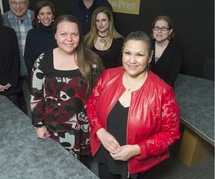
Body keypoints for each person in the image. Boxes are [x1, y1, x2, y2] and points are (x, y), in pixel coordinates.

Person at [86, 31, 180, 179]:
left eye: (139, 55)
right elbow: (91, 106)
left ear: (149, 57)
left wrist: (137, 149)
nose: (132, 60)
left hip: (138, 163)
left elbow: (170, 134)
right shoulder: (108, 76)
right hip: (106, 154)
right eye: (128, 53)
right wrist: (100, 131)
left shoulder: (163, 92)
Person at [30, 15, 104, 167]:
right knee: (57, 169)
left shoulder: (92, 61)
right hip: (54, 130)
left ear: (80, 36)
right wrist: (38, 125)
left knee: (83, 169)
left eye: (74, 34)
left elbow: (100, 98)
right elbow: (36, 95)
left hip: (85, 130)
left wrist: (99, 129)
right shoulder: (43, 60)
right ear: (55, 35)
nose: (69, 39)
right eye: (63, 34)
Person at [2, 0, 34, 114]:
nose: (18, 6)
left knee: (37, 96)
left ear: (27, 3)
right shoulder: (2, 19)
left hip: (33, 64)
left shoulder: (36, 16)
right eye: (13, 3)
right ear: (9, 3)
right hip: (14, 67)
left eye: (21, 2)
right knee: (17, 101)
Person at [24, 0, 58, 76]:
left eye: (48, 13)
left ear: (53, 16)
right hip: (38, 76)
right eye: (42, 14)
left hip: (58, 75)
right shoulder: (32, 34)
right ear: (38, 16)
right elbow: (28, 58)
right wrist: (35, 75)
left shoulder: (59, 32)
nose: (46, 17)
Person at [149, 15, 182, 87]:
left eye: (163, 28)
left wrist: (161, 91)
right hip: (146, 87)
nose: (159, 31)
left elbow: (172, 76)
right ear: (153, 30)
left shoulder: (175, 50)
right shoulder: (146, 45)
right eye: (157, 28)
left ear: (170, 31)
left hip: (164, 89)